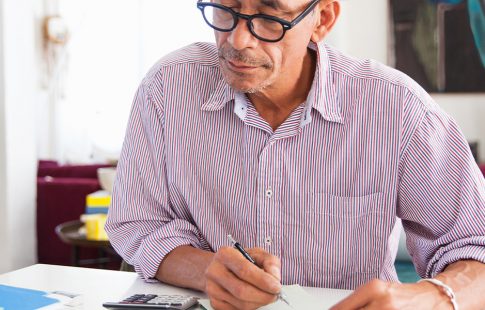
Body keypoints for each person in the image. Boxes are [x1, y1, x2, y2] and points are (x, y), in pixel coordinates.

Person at [105, 0, 485, 309]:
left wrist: (432, 297)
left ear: (323, 18)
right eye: (226, 9)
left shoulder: (398, 109)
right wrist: (205, 269)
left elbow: (476, 247)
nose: (238, 40)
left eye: (270, 16)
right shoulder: (167, 88)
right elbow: (137, 223)